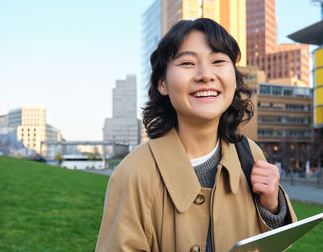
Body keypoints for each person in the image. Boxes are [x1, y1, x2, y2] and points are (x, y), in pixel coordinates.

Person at [96, 18, 297, 251]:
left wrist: (271, 207)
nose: (206, 75)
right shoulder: (134, 173)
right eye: (188, 63)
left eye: (219, 61)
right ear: (162, 84)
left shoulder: (250, 154)